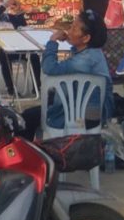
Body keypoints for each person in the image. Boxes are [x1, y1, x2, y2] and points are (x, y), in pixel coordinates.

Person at [18, 9, 113, 141]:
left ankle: (27, 152)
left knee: (27, 117)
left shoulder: (83, 61)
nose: (69, 30)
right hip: (97, 115)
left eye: (74, 28)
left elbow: (49, 67)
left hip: (82, 118)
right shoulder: (94, 54)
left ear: (86, 38)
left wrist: (53, 41)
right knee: (37, 110)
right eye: (71, 26)